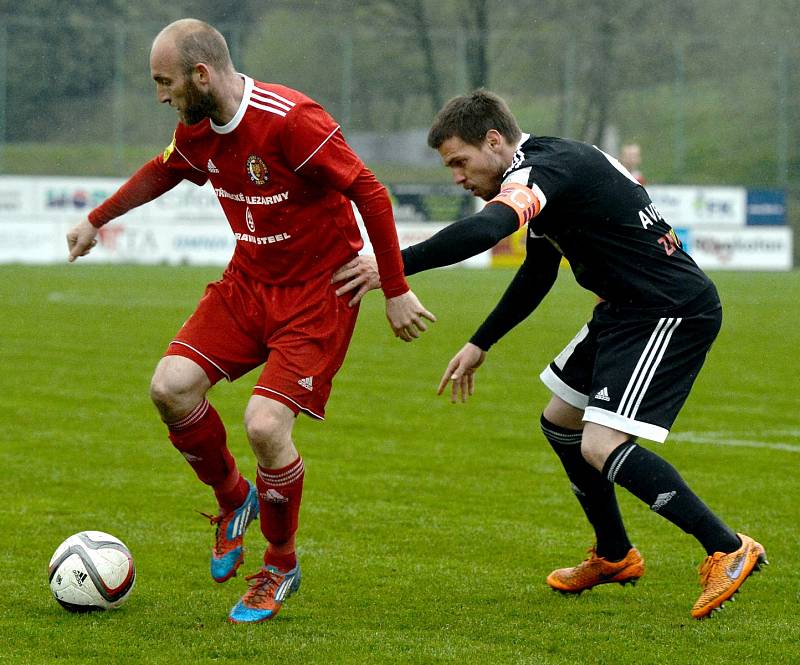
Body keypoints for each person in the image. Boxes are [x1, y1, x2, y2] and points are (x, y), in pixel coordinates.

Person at [333, 90, 766, 620]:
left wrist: (392, 267)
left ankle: (726, 546)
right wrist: (481, 342)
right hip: (624, 310)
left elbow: (489, 229)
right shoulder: (545, 172)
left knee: (600, 443)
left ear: (494, 141)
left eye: (459, 162)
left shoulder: (541, 170)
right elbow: (538, 271)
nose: (457, 178)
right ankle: (613, 554)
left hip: (665, 309)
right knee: (561, 421)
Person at [66, 18, 435, 624]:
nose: (161, 95)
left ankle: (280, 565)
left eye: (165, 82)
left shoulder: (292, 120)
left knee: (265, 426)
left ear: (201, 74)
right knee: (170, 387)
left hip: (319, 294)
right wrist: (98, 218)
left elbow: (370, 191)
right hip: (248, 283)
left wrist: (394, 289)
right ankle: (233, 499)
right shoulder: (197, 126)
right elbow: (164, 169)